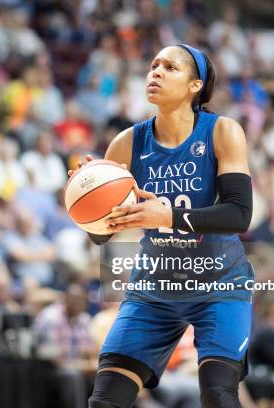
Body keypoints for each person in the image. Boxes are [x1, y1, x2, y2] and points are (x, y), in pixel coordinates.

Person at [70, 45, 255, 408]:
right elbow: (99, 235)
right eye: (154, 65)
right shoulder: (126, 143)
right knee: (105, 401)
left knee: (218, 394)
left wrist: (167, 216)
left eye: (170, 67)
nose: (155, 71)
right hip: (154, 287)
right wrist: (87, 200)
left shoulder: (222, 131)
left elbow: (239, 214)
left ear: (194, 86)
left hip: (219, 284)